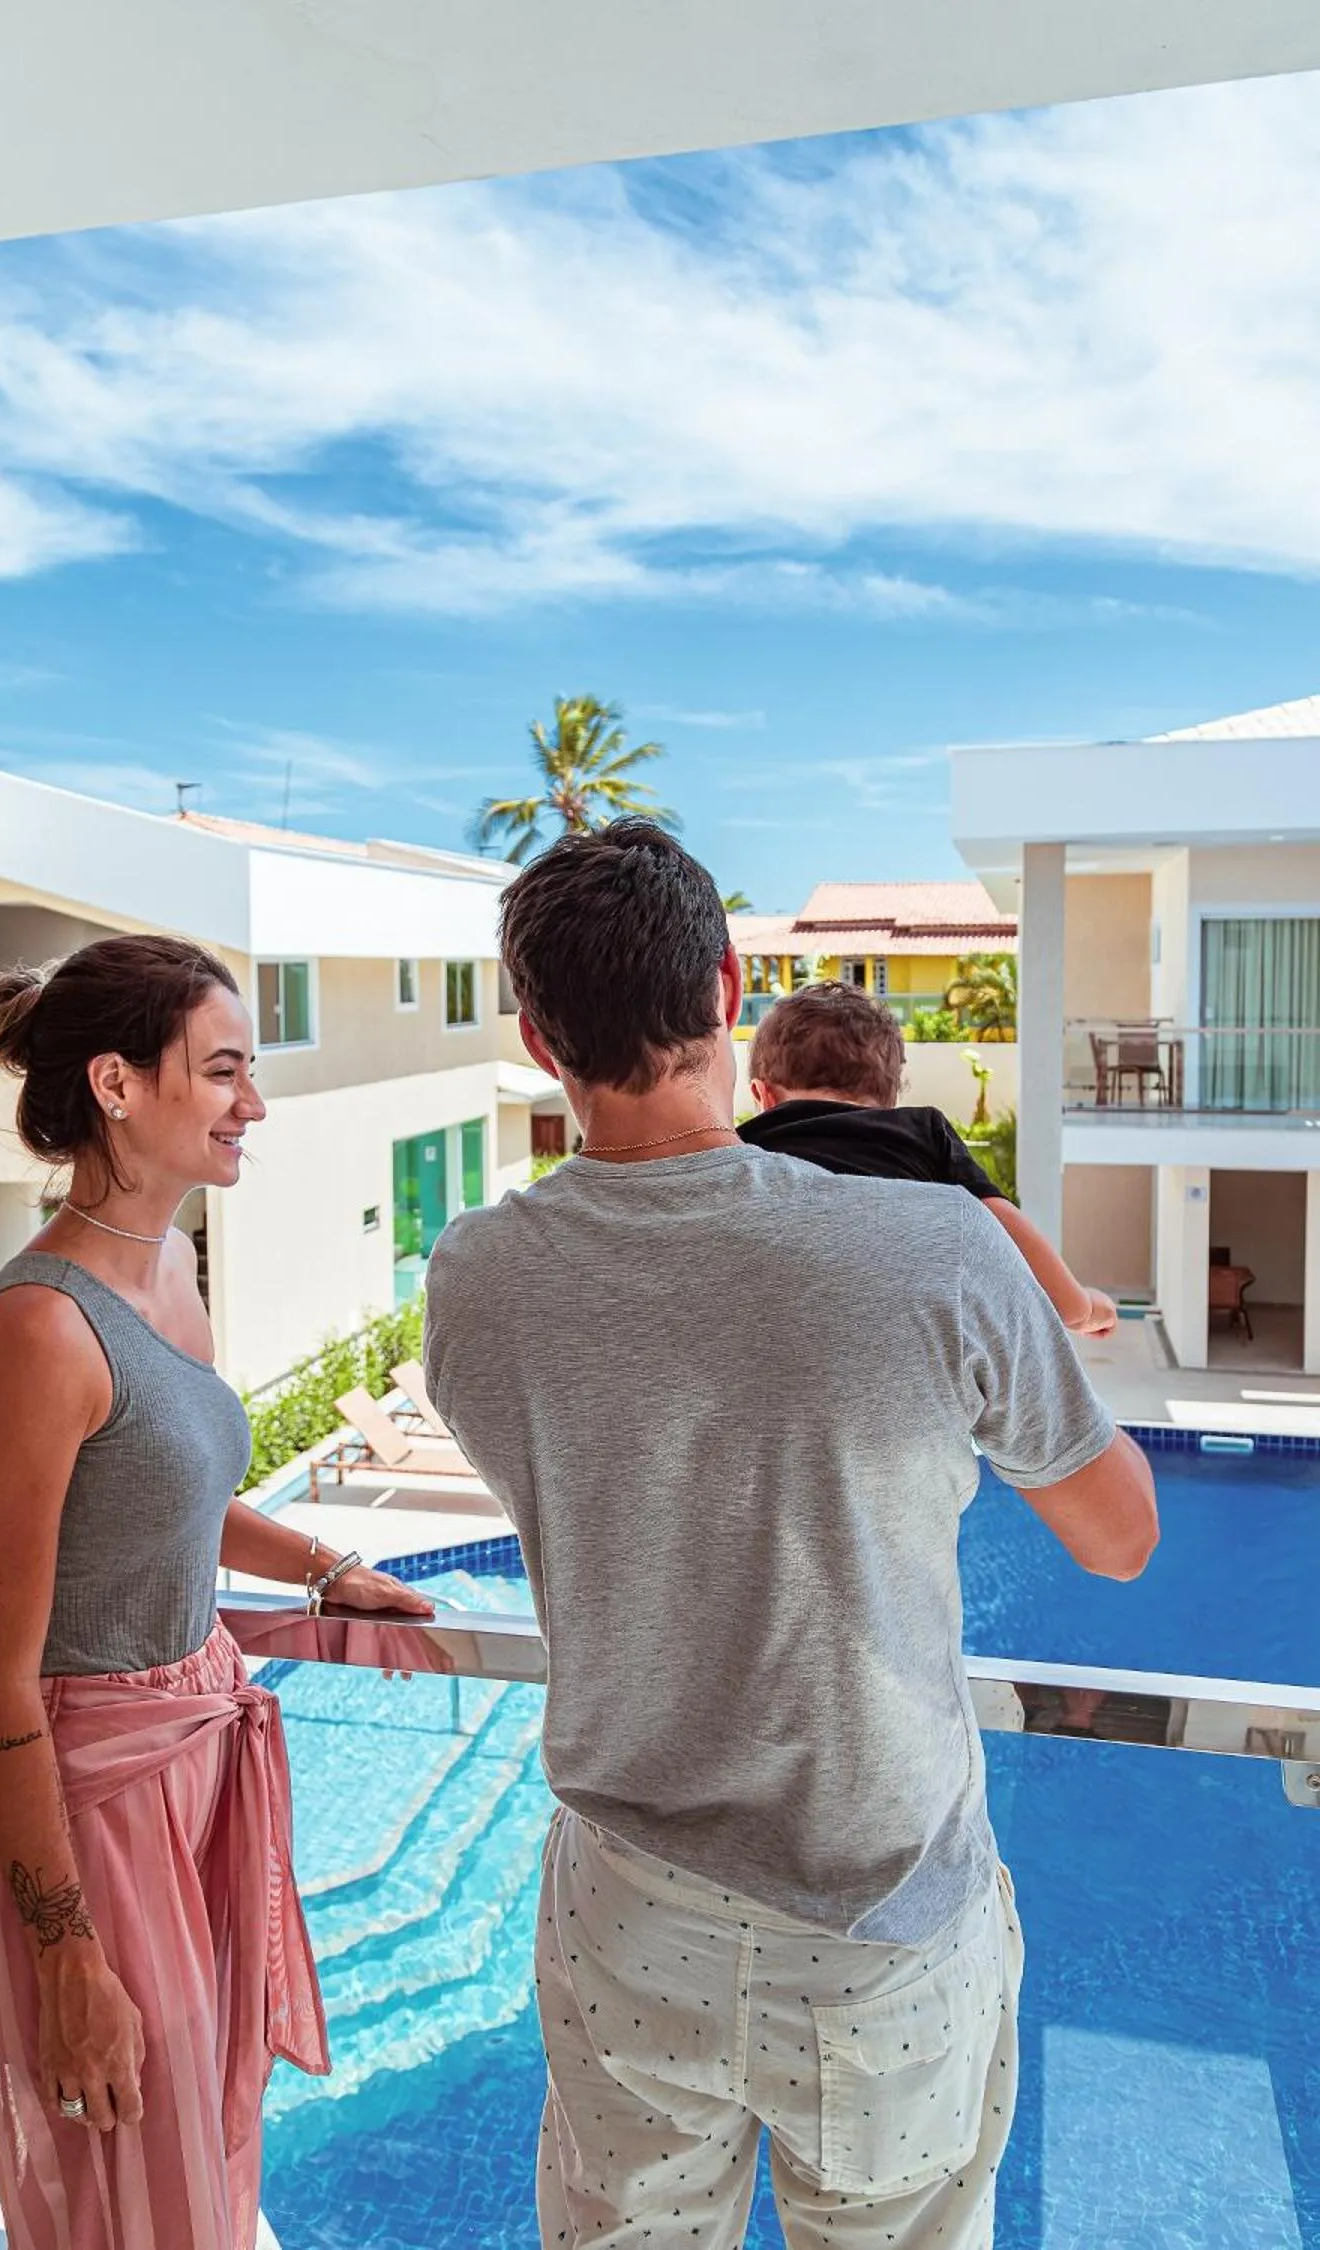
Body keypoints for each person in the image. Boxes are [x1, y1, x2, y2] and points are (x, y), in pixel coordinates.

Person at [422, 822, 1157, 2250]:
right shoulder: (936, 1248)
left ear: (538, 1037)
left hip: (628, 1915)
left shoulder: (481, 1275)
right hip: (881, 1928)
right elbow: (1119, 1537)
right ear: (725, 985)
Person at [0, 933, 434, 2250]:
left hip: (198, 1763)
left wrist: (327, 1568)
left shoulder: (170, 1272)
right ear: (116, 1084)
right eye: (222, 1071)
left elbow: (174, 1499)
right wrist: (64, 1952)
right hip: (87, 1801)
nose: (252, 1104)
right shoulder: (35, 1329)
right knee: (124, 2189)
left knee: (202, 2163)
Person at [741, 980, 1118, 1337]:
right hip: (901, 1324)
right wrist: (1081, 1307)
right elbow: (1002, 1219)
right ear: (890, 1098)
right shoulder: (921, 1132)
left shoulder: (752, 1142)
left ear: (763, 1096)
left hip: (787, 1320)